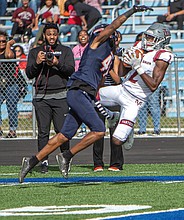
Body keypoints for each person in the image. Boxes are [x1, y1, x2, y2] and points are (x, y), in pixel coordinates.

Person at [19, 5, 153, 183]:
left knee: (64, 136)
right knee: (99, 130)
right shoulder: (96, 43)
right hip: (78, 90)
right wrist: (132, 11)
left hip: (85, 93)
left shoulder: (109, 55)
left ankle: (30, 161)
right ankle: (66, 156)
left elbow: (106, 79)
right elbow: (113, 26)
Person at [97, 22, 174, 154]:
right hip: (122, 89)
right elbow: (121, 73)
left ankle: (128, 130)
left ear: (161, 40)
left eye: (151, 38)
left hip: (135, 100)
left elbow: (153, 85)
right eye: (147, 37)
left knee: (117, 141)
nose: (147, 40)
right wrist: (125, 62)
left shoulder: (163, 56)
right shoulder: (139, 46)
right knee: (87, 94)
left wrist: (138, 67)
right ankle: (111, 116)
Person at [25, 23, 75, 173]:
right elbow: (29, 73)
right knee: (43, 131)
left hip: (61, 97)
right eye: (49, 34)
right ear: (44, 35)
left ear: (58, 35)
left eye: (54, 34)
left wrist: (56, 63)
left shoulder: (65, 51)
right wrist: (37, 63)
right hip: (41, 98)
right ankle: (43, 161)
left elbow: (70, 70)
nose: (51, 37)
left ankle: (65, 160)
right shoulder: (35, 52)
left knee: (62, 131)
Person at [93, 30, 123, 172]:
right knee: (98, 131)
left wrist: (108, 69)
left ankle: (116, 163)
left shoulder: (115, 59)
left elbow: (118, 80)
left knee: (115, 132)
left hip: (114, 97)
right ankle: (97, 163)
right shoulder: (96, 57)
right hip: (99, 96)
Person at [0, 31, 19, 138]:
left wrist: (8, 45)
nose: (2, 43)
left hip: (11, 83)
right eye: (0, 41)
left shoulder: (10, 51)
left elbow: (8, 56)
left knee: (11, 106)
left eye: (4, 41)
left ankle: (12, 130)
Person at [72, 29, 89, 137]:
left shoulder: (90, 48)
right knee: (80, 104)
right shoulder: (75, 49)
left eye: (85, 35)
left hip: (88, 78)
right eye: (80, 35)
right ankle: (82, 129)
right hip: (78, 78)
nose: (83, 37)